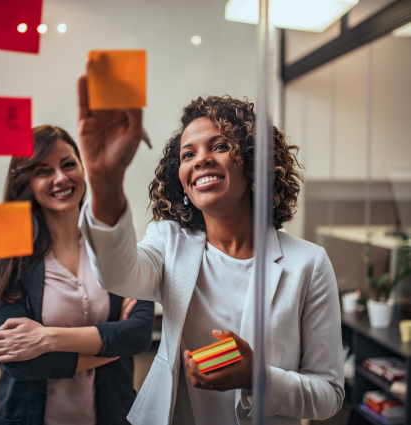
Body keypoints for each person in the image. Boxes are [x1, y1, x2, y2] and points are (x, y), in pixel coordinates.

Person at [75, 75, 344, 425]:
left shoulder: (308, 263)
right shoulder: (168, 241)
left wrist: (255, 378)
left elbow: (329, 395)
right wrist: (105, 178)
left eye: (218, 146)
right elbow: (117, 274)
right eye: (189, 154)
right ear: (182, 180)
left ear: (252, 163)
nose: (201, 159)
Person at [0, 125, 155, 425]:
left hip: (110, 415)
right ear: (26, 182)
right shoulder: (3, 255)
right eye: (43, 171)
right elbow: (21, 364)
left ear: (82, 167)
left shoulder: (111, 245)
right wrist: (112, 346)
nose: (60, 178)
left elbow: (140, 333)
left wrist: (45, 338)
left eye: (68, 164)